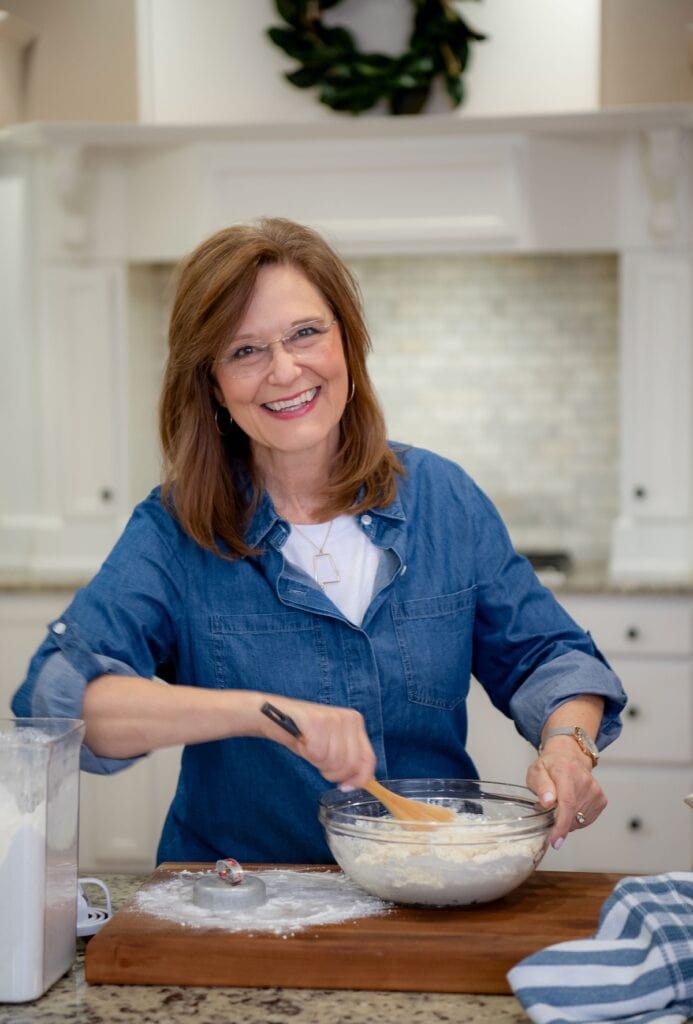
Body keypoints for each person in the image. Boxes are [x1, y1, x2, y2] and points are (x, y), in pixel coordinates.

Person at [12, 217, 627, 865]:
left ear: (346, 344)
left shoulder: (442, 497)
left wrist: (566, 746)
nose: (284, 370)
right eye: (244, 351)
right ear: (212, 385)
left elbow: (550, 658)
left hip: (440, 883)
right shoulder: (173, 530)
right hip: (241, 898)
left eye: (305, 333)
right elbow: (58, 705)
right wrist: (260, 712)